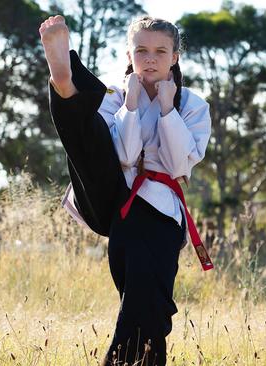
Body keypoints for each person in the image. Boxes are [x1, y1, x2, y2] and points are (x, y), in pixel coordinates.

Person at [38, 14, 213, 366]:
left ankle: (132, 361)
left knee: (147, 306)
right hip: (111, 196)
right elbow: (122, 155)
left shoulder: (192, 104)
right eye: (142, 50)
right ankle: (66, 87)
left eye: (161, 51)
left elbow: (179, 165)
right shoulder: (114, 97)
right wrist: (131, 105)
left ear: (175, 57)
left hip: (158, 213)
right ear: (129, 54)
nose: (150, 59)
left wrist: (167, 108)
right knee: (89, 129)